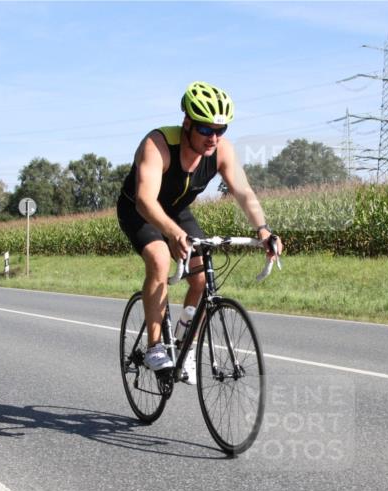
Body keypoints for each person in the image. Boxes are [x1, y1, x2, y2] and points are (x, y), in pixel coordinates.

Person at [117, 81, 282, 376]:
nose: (213, 138)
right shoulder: (158, 145)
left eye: (220, 130)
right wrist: (172, 233)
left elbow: (244, 192)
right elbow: (145, 201)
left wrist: (264, 230)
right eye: (205, 129)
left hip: (177, 211)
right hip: (139, 210)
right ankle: (155, 348)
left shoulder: (222, 151)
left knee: (203, 277)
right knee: (159, 259)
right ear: (187, 123)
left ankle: (186, 346)